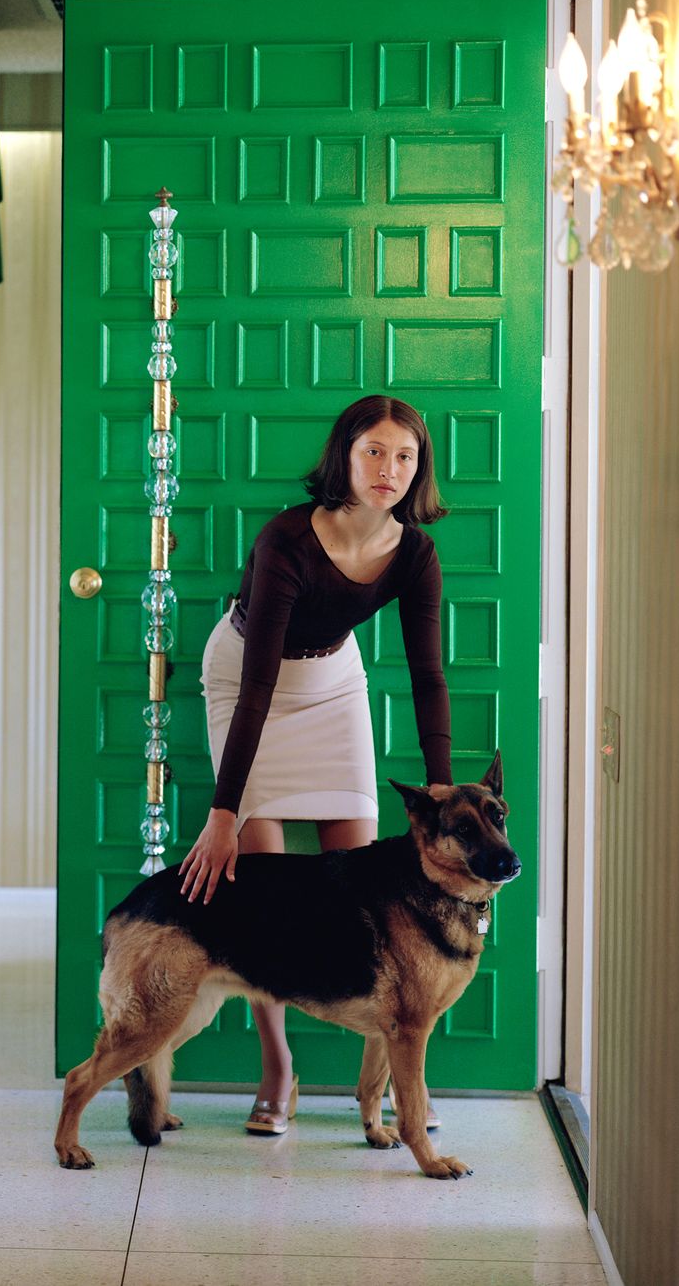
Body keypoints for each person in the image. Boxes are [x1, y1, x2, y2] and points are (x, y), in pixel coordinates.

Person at [178, 394, 453, 1133]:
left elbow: (428, 676)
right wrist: (225, 811)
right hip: (247, 680)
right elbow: (259, 687)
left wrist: (437, 783)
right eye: (374, 451)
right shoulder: (287, 543)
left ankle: (379, 1088)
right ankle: (278, 1070)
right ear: (345, 454)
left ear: (418, 467)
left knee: (366, 888)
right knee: (265, 894)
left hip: (333, 685)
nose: (388, 469)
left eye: (404, 456)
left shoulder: (414, 555)